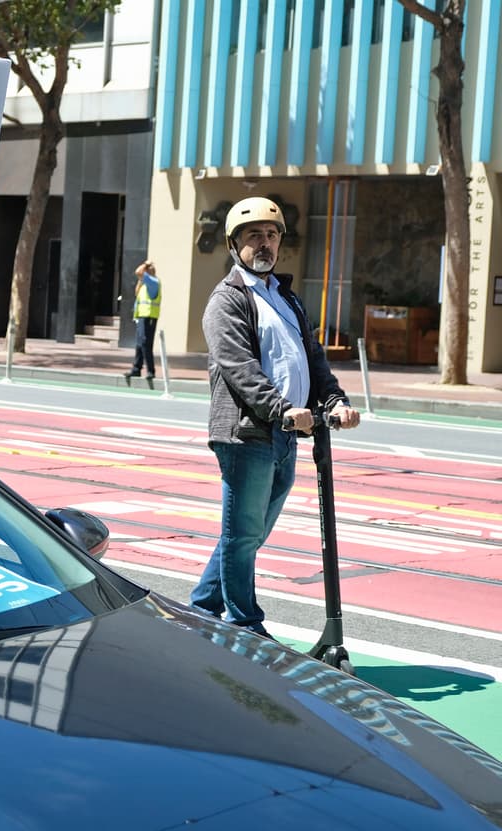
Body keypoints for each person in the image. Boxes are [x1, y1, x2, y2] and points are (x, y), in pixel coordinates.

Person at [190, 196, 360, 640]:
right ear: (233, 244)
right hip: (247, 434)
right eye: (254, 236)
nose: (265, 243)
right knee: (243, 534)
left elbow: (313, 358)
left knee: (249, 533)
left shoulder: (285, 298)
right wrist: (282, 410)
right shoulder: (228, 300)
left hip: (286, 435)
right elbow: (240, 368)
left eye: (272, 235)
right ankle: (244, 623)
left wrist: (334, 400)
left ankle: (201, 609)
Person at [124, 260, 160, 384]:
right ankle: (136, 369)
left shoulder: (153, 282)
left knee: (145, 343)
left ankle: (151, 370)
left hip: (149, 317)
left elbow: (138, 271)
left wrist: (146, 264)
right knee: (139, 344)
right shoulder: (145, 284)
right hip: (142, 317)